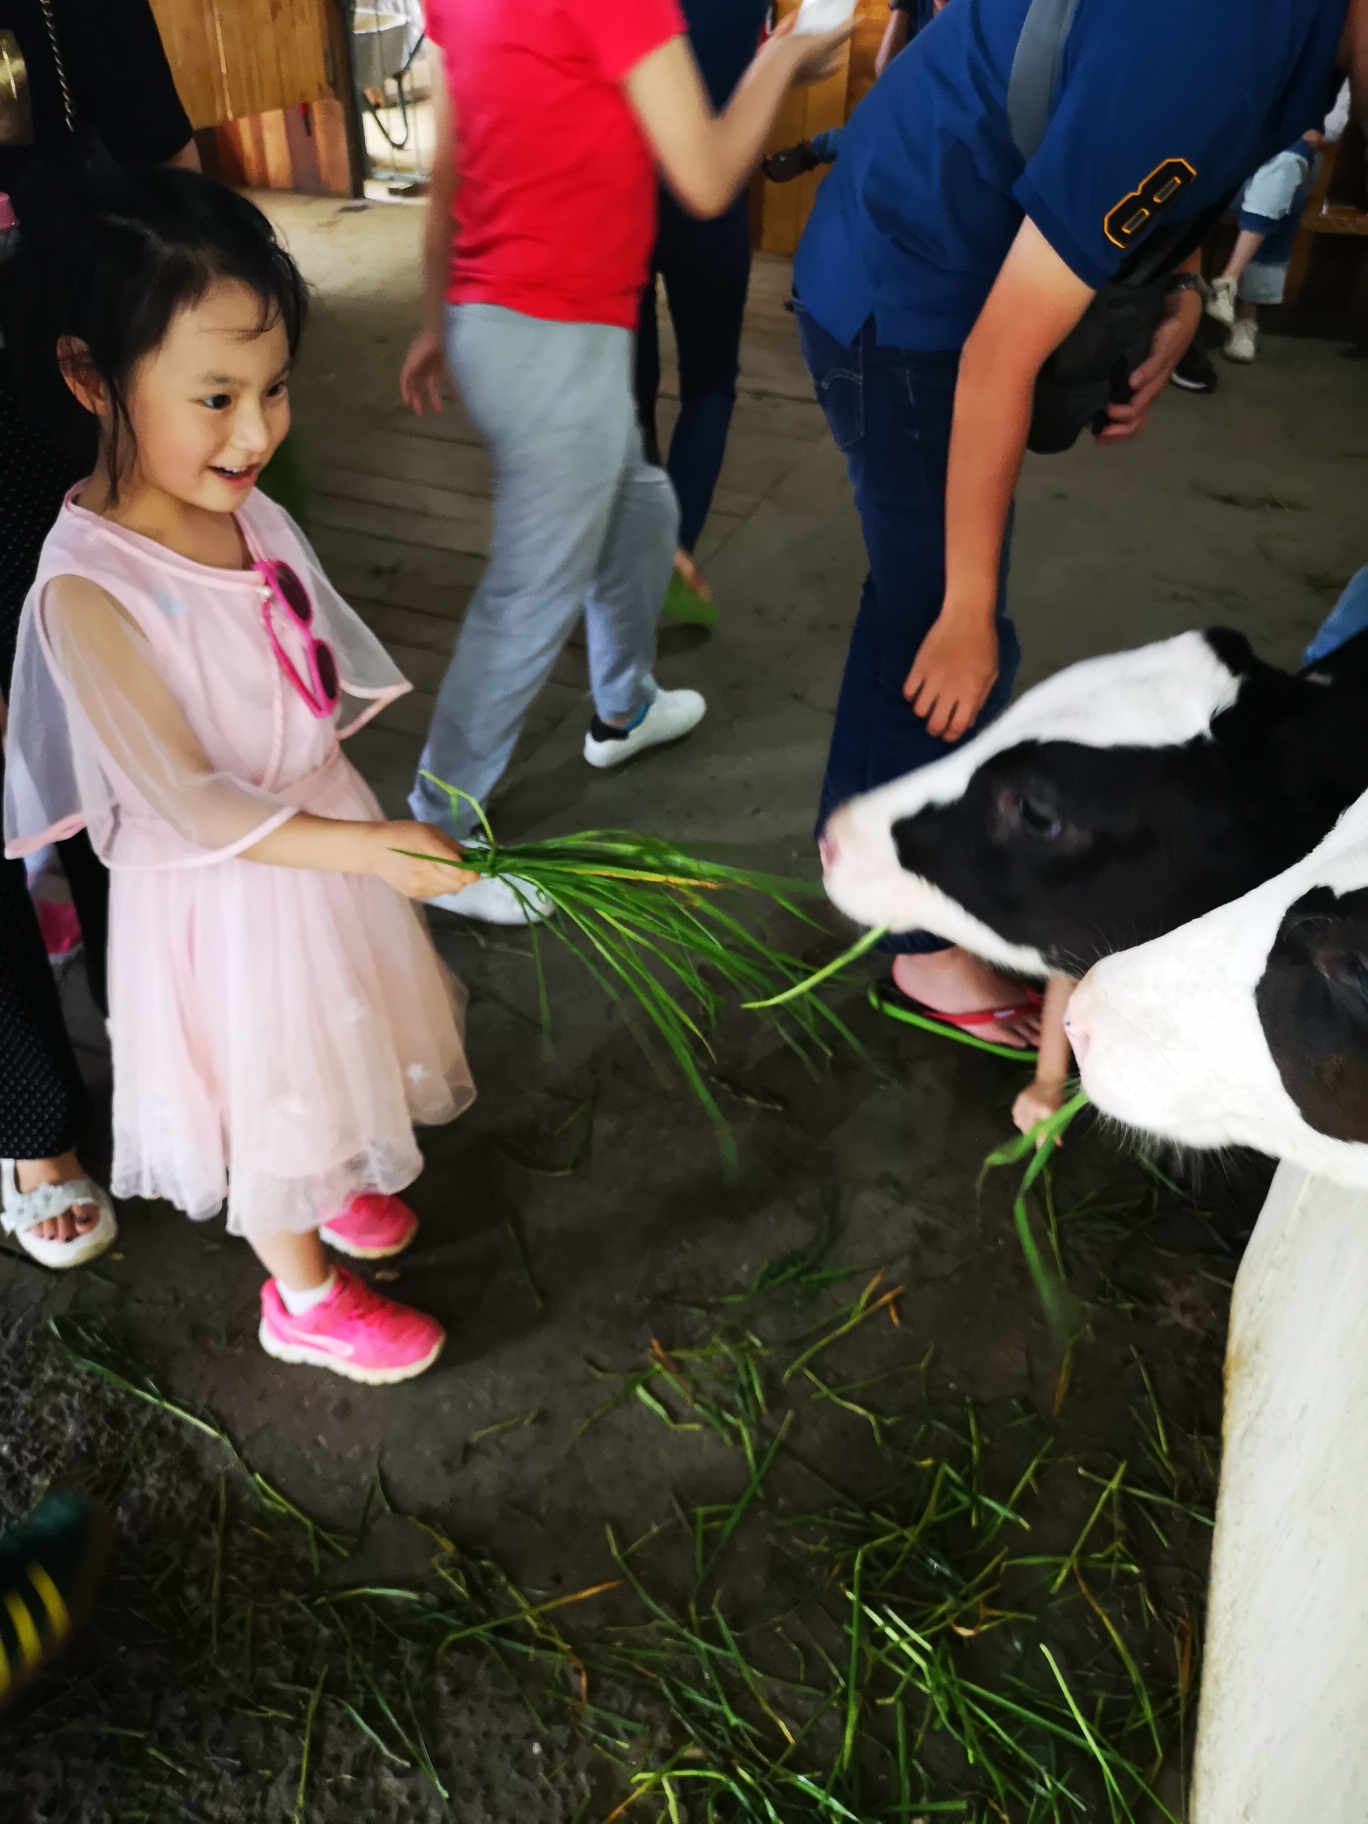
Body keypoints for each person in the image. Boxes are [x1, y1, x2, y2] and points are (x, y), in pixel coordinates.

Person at [795, 0, 1361, 1047]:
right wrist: (968, 608)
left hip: (946, 254)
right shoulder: (1210, 44)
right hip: (909, 294)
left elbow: (1184, 165)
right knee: (949, 629)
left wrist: (1183, 282)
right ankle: (917, 946)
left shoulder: (1305, 34)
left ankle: (871, 869)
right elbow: (999, 353)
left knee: (922, 606)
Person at [1, 161, 478, 1385]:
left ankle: (334, 1172)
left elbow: (291, 648)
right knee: (271, 1086)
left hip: (314, 840)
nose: (258, 431)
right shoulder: (91, 588)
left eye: (273, 389)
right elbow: (194, 801)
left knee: (338, 1041)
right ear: (91, 378)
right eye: (215, 396)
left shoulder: (234, 496)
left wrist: (346, 825)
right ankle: (302, 1290)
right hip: (227, 892)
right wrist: (368, 847)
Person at [398, 1, 849, 925]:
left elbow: (450, 164)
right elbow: (710, 175)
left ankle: (625, 709)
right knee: (532, 592)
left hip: (514, 325)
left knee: (640, 510)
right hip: (555, 333)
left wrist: (439, 315)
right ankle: (438, 838)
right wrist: (794, 51)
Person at [0, 0, 199, 1265]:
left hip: (66, 392)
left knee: (127, 732)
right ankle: (32, 1127)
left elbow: (173, 184)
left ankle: (171, 1049)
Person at [634, 0, 773, 628]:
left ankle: (641, 561)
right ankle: (674, 554)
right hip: (712, 203)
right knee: (710, 385)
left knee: (630, 390)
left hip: (623, 195)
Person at [763, 0, 947, 184]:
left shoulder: (970, 12)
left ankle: (812, 151)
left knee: (896, 130)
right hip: (920, 113)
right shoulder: (920, 6)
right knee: (890, 125)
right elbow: (885, 69)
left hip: (951, 113)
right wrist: (901, 8)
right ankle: (812, 151)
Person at [1205, 132, 1326, 364]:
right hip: (1239, 164)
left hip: (1294, 167)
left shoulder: (1325, 93)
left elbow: (1329, 128)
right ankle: (1242, 312)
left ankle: (1230, 283)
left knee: (1285, 168)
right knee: (1284, 200)